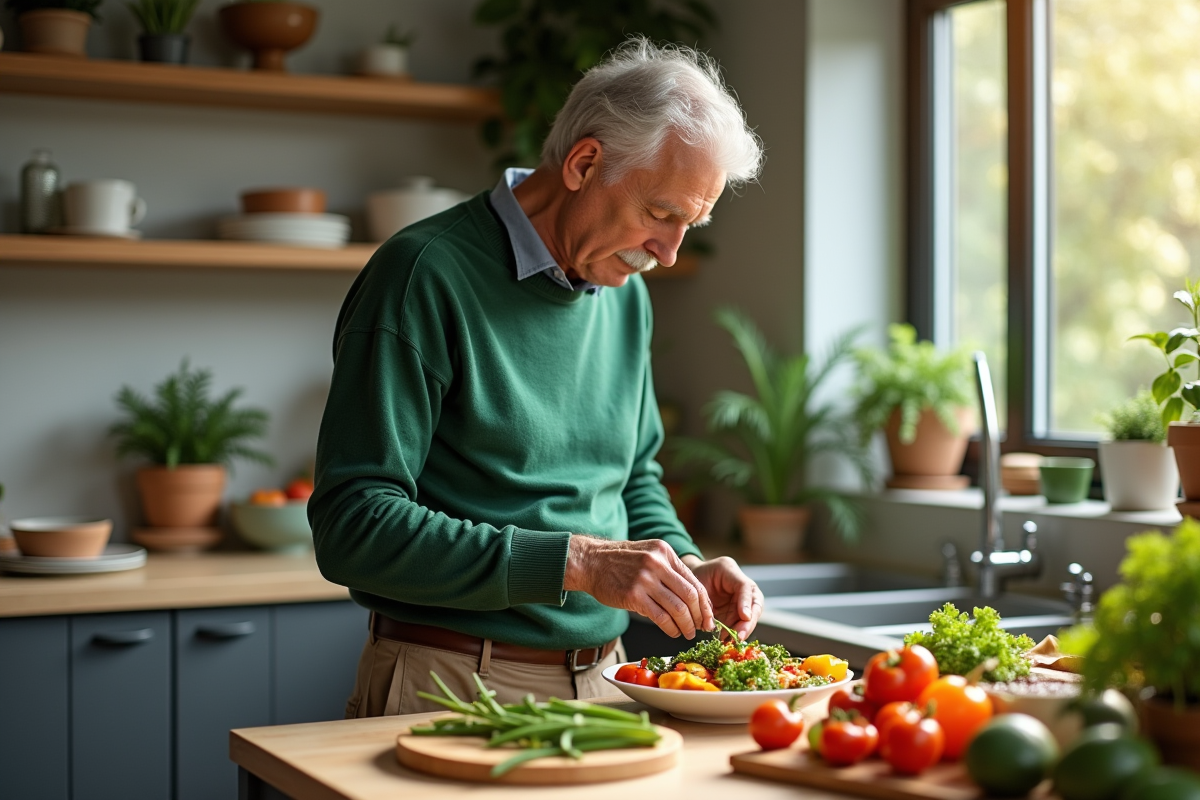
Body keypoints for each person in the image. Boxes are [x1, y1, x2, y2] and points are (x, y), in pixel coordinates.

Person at [310, 36, 766, 718]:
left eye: (689, 225)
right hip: (452, 684)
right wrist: (578, 564)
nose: (669, 254)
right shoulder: (423, 274)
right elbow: (353, 525)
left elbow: (631, 478)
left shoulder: (623, 291)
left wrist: (681, 565)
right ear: (585, 163)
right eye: (661, 215)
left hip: (611, 686)